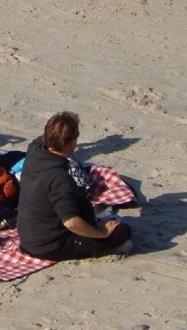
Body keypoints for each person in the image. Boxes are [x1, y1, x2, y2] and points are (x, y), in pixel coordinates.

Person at [18, 111, 132, 261]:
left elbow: (43, 138)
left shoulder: (34, 150)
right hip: (49, 246)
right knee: (122, 231)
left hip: (28, 236)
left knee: (78, 195)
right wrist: (101, 233)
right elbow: (71, 222)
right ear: (71, 143)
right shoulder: (59, 178)